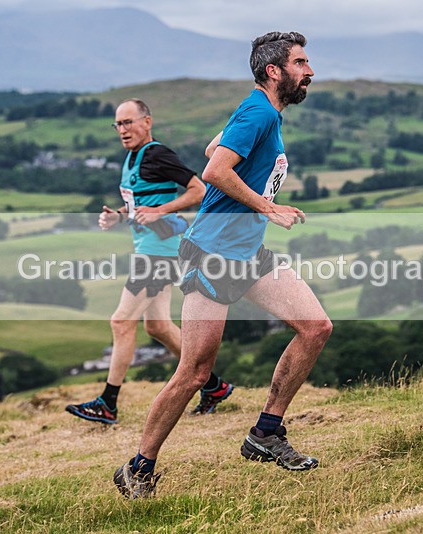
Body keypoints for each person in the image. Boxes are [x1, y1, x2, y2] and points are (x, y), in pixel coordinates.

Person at [114, 32, 333, 499]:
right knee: (194, 372)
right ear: (274, 71)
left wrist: (256, 205)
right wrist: (268, 207)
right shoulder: (257, 111)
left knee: (315, 326)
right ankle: (138, 466)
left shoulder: (260, 112)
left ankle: (266, 433)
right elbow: (213, 171)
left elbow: (216, 147)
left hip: (247, 254)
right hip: (212, 255)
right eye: (300, 62)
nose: (309, 71)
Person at [66, 98, 234, 426]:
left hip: (161, 252)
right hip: (152, 249)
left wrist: (160, 212)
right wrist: (119, 216)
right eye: (118, 124)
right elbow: (144, 203)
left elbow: (198, 190)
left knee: (120, 321)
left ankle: (108, 403)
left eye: (129, 122)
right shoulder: (133, 159)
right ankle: (213, 385)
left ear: (147, 122)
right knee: (156, 326)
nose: (123, 130)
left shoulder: (157, 154)